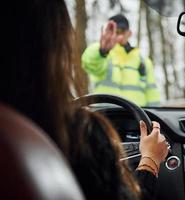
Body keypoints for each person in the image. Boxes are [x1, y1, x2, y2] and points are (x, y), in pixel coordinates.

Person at [1, 1, 168, 200]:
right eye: (116, 29)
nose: (119, 34)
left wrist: (155, 115)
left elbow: (151, 90)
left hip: (140, 115)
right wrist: (149, 160)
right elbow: (90, 63)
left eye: (123, 30)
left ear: (130, 33)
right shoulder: (84, 134)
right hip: (107, 115)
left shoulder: (142, 60)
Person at [82, 14, 160, 107]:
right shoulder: (102, 55)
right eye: (113, 31)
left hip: (136, 118)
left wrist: (153, 118)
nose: (117, 36)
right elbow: (90, 63)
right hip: (105, 117)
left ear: (129, 33)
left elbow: (152, 94)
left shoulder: (144, 61)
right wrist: (102, 51)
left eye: (121, 31)